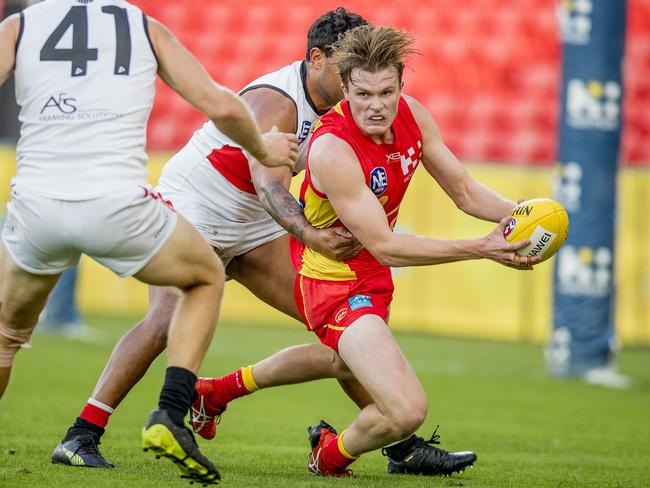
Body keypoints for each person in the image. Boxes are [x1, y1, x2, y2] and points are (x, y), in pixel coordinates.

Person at [202, 24, 541, 478]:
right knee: (405, 411)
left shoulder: (414, 116)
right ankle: (330, 455)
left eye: (387, 92)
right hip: (332, 276)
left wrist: (522, 216)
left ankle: (217, 392)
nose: (376, 106)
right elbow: (386, 245)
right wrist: (482, 247)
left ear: (402, 85)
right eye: (363, 94)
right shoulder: (331, 148)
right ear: (344, 87)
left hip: (369, 270)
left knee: (340, 359)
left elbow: (463, 190)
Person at [51, 5, 374, 470]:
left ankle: (397, 435)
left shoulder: (344, 105)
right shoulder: (276, 101)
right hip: (194, 210)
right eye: (348, 66)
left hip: (252, 228)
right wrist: (312, 235)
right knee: (165, 320)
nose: (355, 78)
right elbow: (268, 188)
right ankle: (80, 435)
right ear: (318, 59)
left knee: (342, 322)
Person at [0, 1, 296, 485]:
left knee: (6, 340)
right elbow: (221, 105)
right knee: (205, 276)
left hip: (36, 207)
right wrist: (263, 148)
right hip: (117, 207)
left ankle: (97, 426)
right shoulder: (143, 26)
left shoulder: (20, 24)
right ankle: (170, 411)